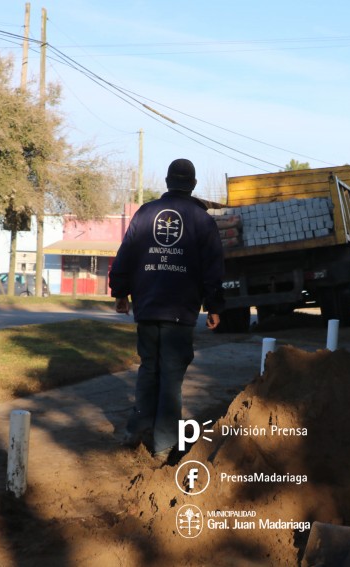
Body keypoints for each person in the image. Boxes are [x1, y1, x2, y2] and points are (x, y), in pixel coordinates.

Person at [109, 158, 225, 462]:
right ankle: (163, 445)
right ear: (194, 185)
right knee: (171, 376)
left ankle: (136, 430)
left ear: (167, 181)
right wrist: (214, 306)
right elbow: (213, 268)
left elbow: (125, 256)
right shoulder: (202, 220)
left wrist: (121, 292)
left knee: (149, 368)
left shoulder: (146, 213)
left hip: (147, 307)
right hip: (180, 310)